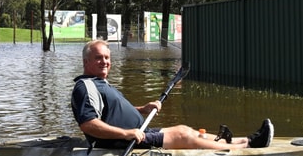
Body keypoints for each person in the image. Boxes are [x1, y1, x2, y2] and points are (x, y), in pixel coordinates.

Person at [71, 40, 273, 150]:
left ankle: (241, 140)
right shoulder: (85, 86)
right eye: (98, 58)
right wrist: (127, 133)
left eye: (107, 57)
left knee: (186, 129)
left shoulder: (102, 83)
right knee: (182, 135)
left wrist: (143, 109)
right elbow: (88, 124)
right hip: (121, 142)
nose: (105, 62)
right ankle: (246, 148)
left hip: (137, 132)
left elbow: (112, 113)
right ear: (86, 62)